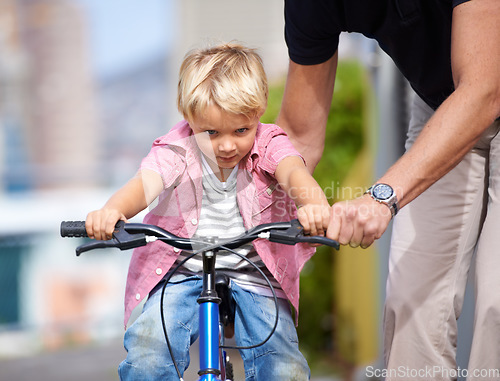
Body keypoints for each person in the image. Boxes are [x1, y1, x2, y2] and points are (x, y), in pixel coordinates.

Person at [277, 0, 499, 380]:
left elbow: (484, 90)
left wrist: (382, 197)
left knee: (496, 303)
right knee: (410, 304)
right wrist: (236, 223)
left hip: (484, 86)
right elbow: (298, 135)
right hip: (442, 105)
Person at [85, 43, 331, 380]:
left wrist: (313, 205)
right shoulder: (177, 148)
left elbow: (293, 173)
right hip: (181, 271)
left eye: (240, 131)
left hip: (255, 274)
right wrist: (112, 210)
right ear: (189, 119)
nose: (227, 145)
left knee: (283, 367)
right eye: (211, 132)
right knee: (148, 354)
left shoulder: (269, 142)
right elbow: (145, 184)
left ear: (258, 113)